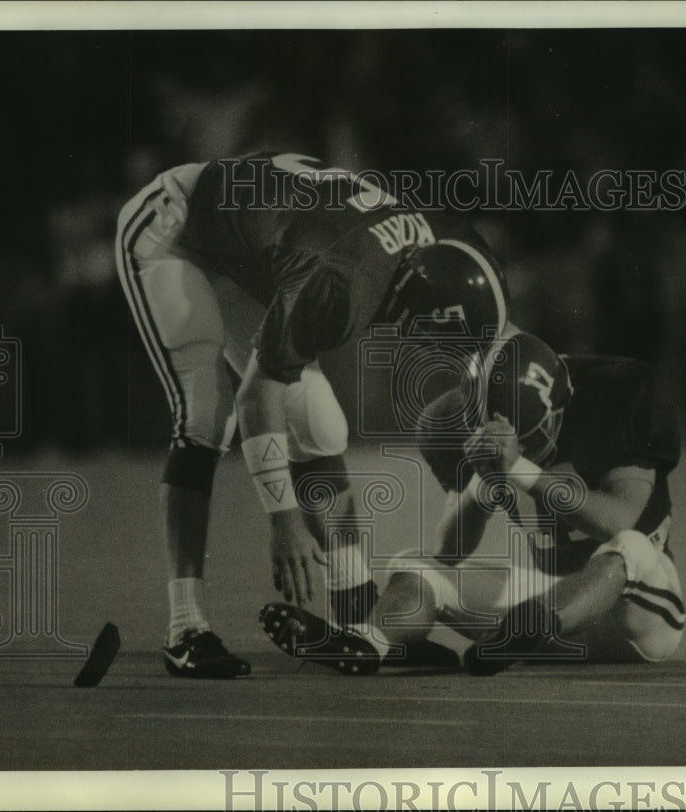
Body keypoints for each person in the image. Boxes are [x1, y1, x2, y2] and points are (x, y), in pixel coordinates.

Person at [115, 151, 508, 678]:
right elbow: (259, 394)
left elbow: (489, 319)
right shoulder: (344, 282)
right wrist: (284, 519)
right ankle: (185, 627)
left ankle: (354, 613)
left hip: (258, 244)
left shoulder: (449, 244)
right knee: (207, 417)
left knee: (320, 426)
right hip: (174, 226)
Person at [264, 332, 685, 675]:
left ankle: (528, 629)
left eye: (535, 435)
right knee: (415, 565)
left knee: (631, 545)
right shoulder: (458, 423)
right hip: (544, 603)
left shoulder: (614, 397)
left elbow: (618, 520)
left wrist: (519, 469)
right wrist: (484, 480)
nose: (532, 447)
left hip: (635, 614)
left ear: (561, 407)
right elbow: (450, 551)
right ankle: (368, 643)